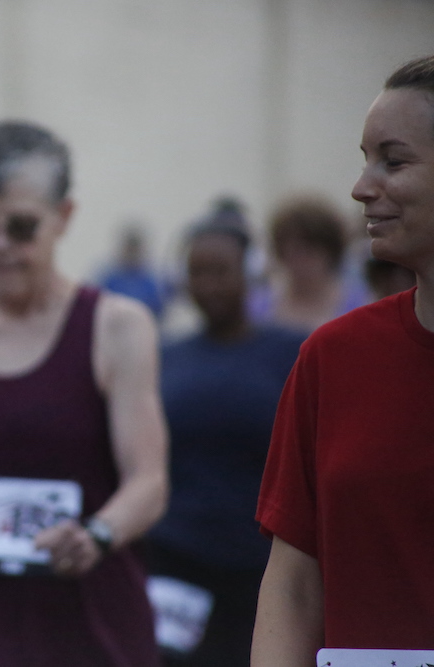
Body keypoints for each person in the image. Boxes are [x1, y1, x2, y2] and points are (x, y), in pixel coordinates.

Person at [0, 121, 168, 667]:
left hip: (84, 628)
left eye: (21, 228)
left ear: (64, 217)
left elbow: (150, 480)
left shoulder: (115, 327)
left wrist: (96, 532)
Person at [251, 54, 434, 664]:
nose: (361, 187)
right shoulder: (334, 359)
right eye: (364, 161)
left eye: (394, 160)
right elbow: (295, 584)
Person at [146, 221, 303, 666]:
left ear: (250, 274)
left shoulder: (292, 352)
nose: (208, 284)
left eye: (220, 270)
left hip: (260, 566)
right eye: (197, 272)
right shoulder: (167, 358)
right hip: (174, 565)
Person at [247, 195, 369, 332]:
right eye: (295, 250)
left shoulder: (361, 304)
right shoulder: (257, 307)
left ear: (331, 251)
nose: (302, 260)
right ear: (280, 252)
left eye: (311, 250)